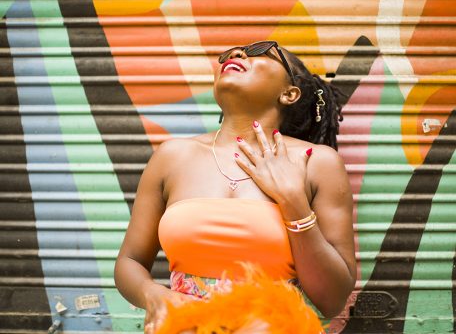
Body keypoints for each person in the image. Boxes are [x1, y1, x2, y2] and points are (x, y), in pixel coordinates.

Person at [114, 40, 356, 333]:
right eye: (228, 53)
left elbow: (332, 299)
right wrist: (155, 296)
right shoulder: (172, 156)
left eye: (261, 52)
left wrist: (293, 202)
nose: (236, 54)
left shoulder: (317, 162)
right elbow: (129, 261)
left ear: (289, 93)